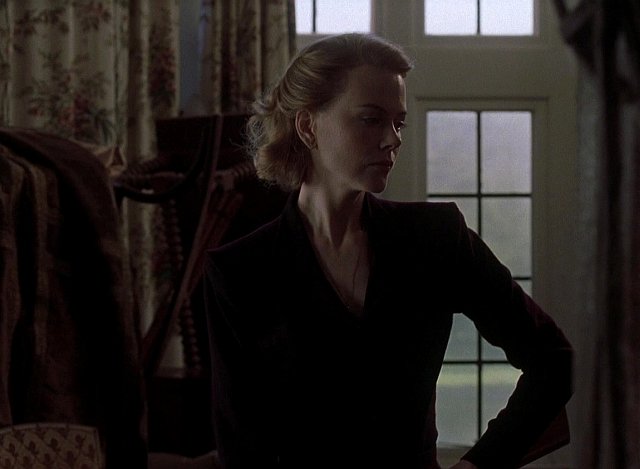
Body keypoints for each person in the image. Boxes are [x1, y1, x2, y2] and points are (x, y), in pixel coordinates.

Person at [203, 33, 573, 469]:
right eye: (371, 119)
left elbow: (554, 360)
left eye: (399, 123)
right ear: (307, 127)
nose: (392, 139)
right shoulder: (240, 272)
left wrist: (479, 465)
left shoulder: (435, 238)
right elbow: (243, 451)